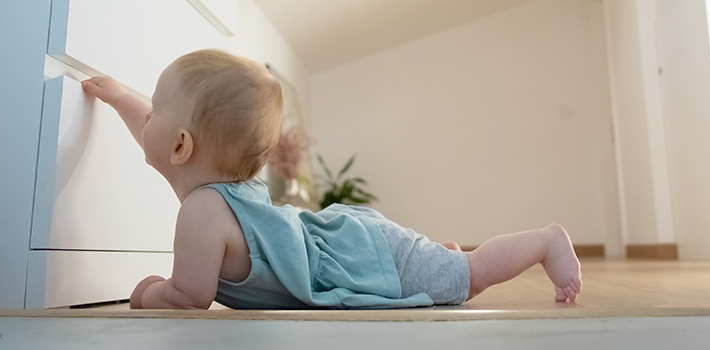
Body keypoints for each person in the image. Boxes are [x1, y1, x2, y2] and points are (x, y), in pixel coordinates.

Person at [81, 49, 582, 310]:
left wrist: (147, 291)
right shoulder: (210, 189)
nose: (144, 115)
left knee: (467, 279)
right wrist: (122, 98)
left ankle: (543, 241)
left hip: (361, 253)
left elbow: (189, 297)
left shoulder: (201, 212)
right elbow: (157, 131)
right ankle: (431, 257)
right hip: (355, 245)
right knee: (433, 265)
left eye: (153, 108)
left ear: (182, 146)